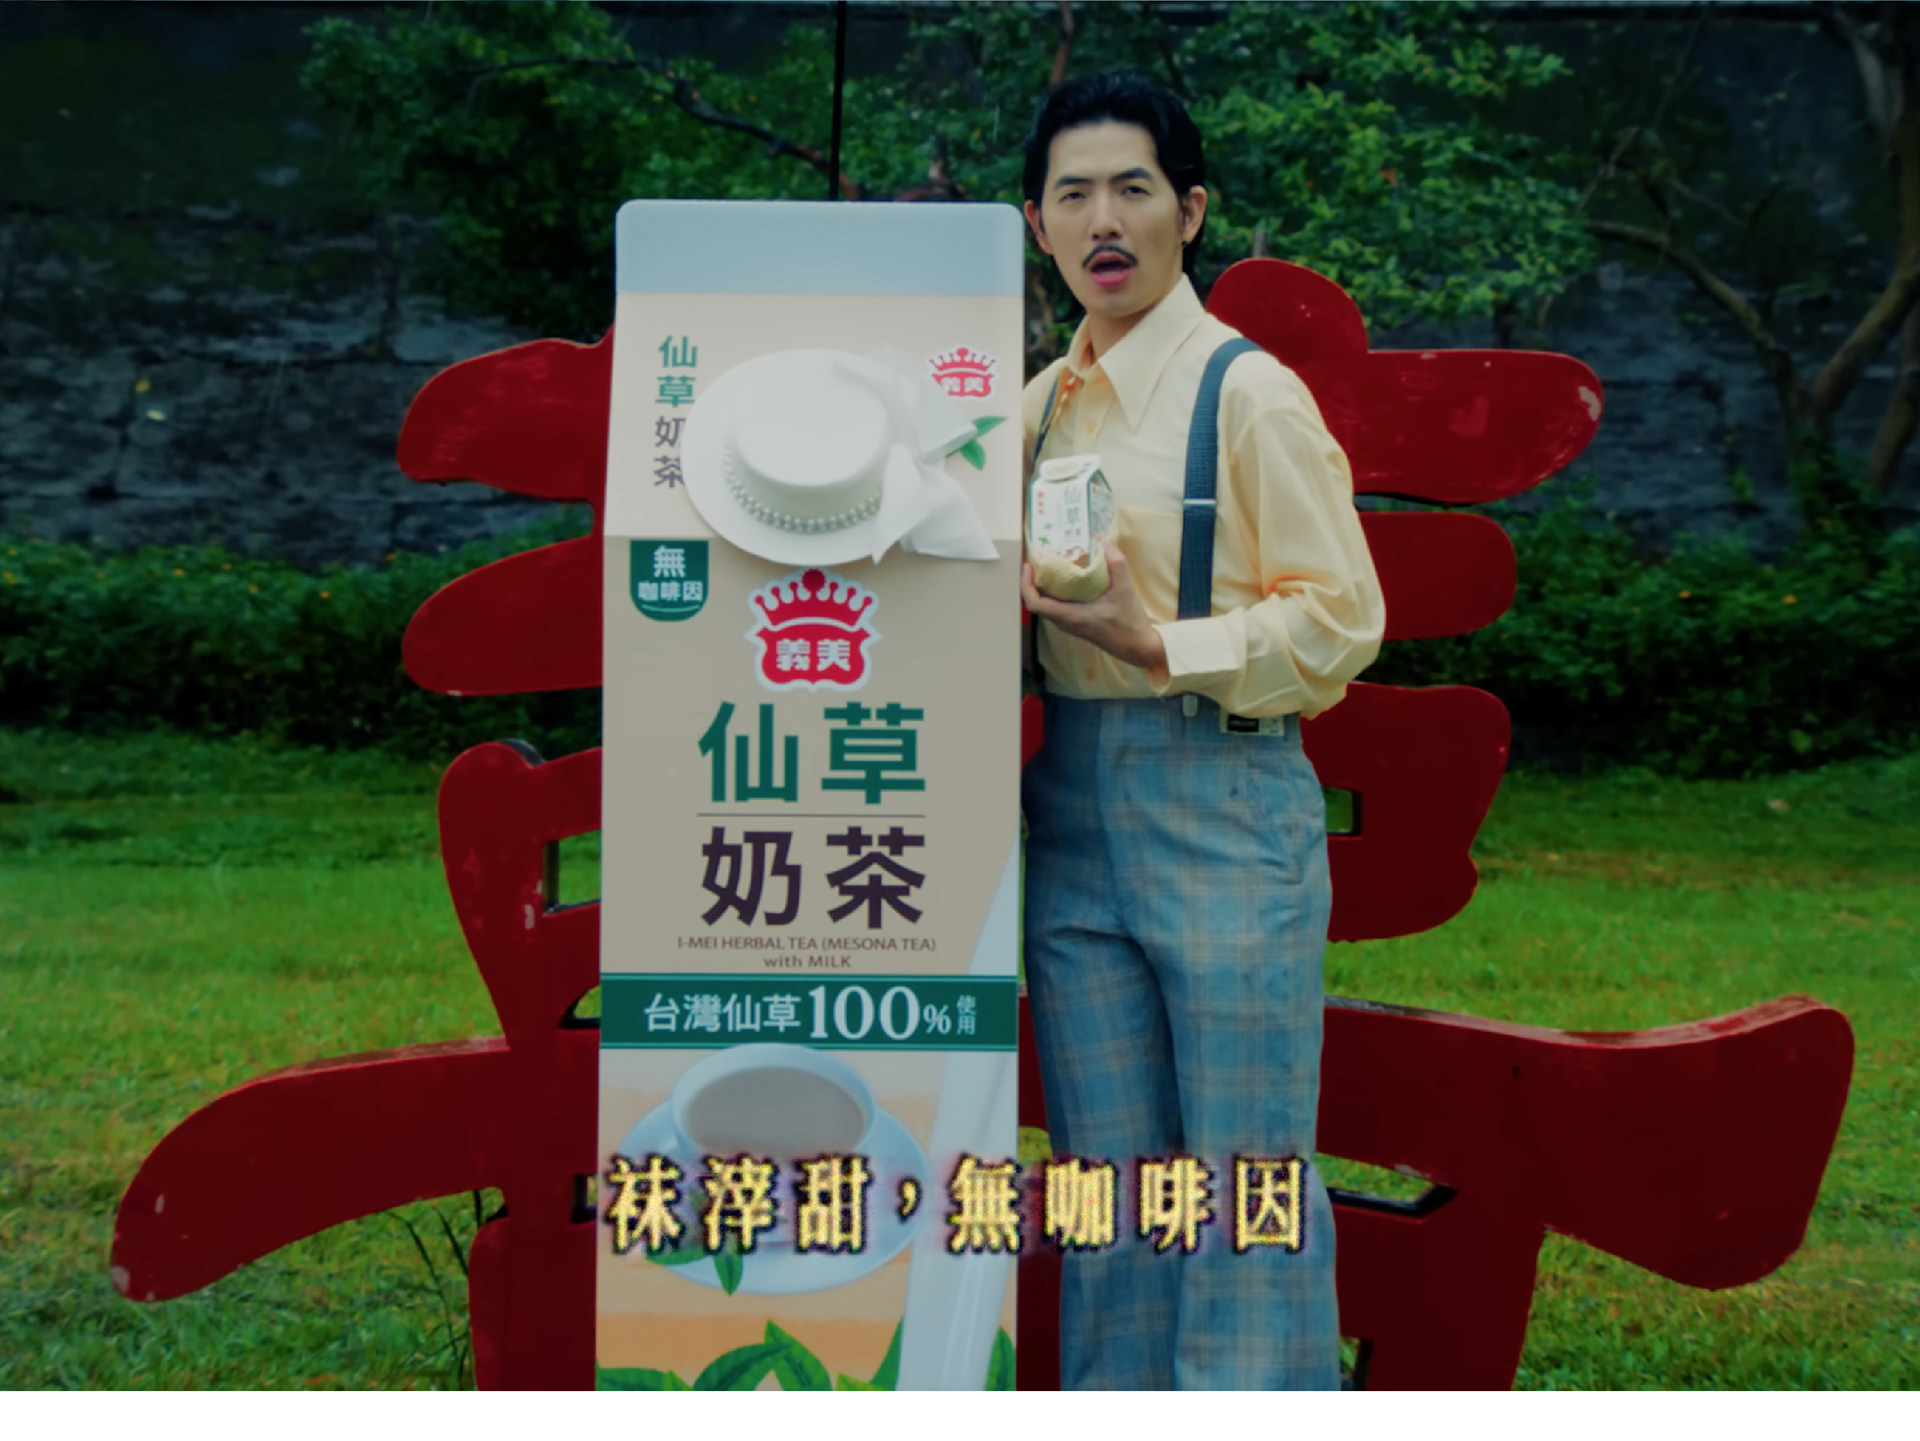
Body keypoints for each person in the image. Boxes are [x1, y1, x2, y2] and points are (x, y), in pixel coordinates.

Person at [1017, 71, 1385, 1391]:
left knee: (1244, 1187)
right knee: (1111, 1191)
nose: (1103, 220)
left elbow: (1342, 618)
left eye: (1133, 189)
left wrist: (1161, 642)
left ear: (1191, 210)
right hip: (1069, 811)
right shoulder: (1036, 406)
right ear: (1037, 225)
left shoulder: (1248, 395)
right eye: (1073, 195)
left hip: (1221, 794)